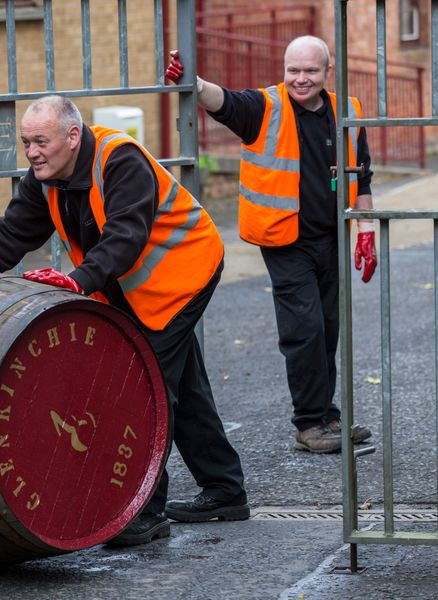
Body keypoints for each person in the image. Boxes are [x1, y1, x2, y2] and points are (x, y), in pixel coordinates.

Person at [0, 95, 249, 546]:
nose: (32, 152)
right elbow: (11, 234)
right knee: (183, 384)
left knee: (145, 389)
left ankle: (144, 513)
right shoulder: (46, 178)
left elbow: (125, 237)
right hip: (130, 289)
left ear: (72, 137)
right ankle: (225, 489)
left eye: (41, 141)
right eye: (26, 142)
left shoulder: (121, 160)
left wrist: (78, 281)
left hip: (181, 274)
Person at [165, 36, 376, 454]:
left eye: (311, 71)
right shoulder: (265, 107)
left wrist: (366, 228)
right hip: (285, 239)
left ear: (327, 73)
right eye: (293, 70)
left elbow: (362, 176)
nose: (301, 79)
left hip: (332, 236)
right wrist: (191, 79)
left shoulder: (347, 111)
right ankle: (309, 424)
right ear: (284, 69)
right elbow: (220, 100)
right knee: (305, 329)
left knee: (329, 328)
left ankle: (326, 414)